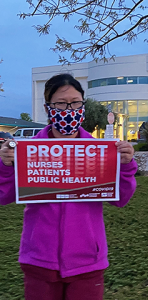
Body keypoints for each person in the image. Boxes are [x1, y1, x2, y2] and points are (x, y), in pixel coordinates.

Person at [0, 73, 138, 300]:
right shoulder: (27, 151)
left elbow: (120, 199)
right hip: (39, 260)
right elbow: (3, 195)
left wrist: (125, 166)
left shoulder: (100, 151)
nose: (69, 109)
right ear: (48, 108)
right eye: (61, 103)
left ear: (83, 106)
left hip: (87, 262)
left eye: (75, 102)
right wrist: (5, 165)